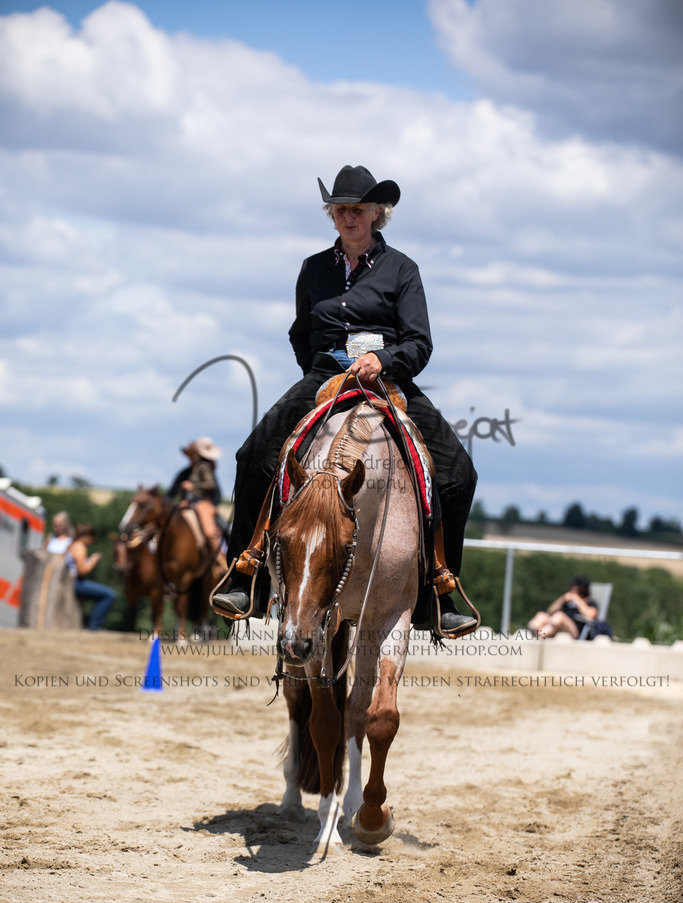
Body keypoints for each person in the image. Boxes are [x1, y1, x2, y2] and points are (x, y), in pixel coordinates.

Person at [212, 164, 478, 637]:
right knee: (252, 455)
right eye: (340, 210)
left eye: (358, 209)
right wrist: (319, 375)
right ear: (331, 215)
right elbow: (299, 334)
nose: (349, 217)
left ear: (378, 213)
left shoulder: (403, 270)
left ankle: (441, 588)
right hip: (325, 376)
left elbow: (420, 343)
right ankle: (245, 572)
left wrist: (384, 360)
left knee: (458, 471)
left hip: (387, 378)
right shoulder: (313, 269)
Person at [177, 438, 227, 567]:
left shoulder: (204, 466)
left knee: (210, 532)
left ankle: (221, 561)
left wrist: (192, 486)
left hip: (202, 503)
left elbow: (210, 485)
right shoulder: (199, 467)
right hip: (192, 502)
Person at [66, 523, 117, 631]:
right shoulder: (80, 547)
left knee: (103, 594)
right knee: (109, 595)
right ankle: (94, 626)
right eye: (92, 538)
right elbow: (81, 571)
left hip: (71, 582)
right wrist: (93, 561)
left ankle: (90, 622)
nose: (92, 541)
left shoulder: (73, 545)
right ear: (88, 535)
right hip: (76, 583)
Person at [528, 575, 598, 639]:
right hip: (556, 625)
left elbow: (591, 615)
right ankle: (528, 633)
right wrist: (562, 600)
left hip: (574, 631)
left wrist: (576, 599)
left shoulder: (590, 603)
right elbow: (550, 611)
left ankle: (537, 636)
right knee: (541, 615)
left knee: (559, 616)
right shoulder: (567, 601)